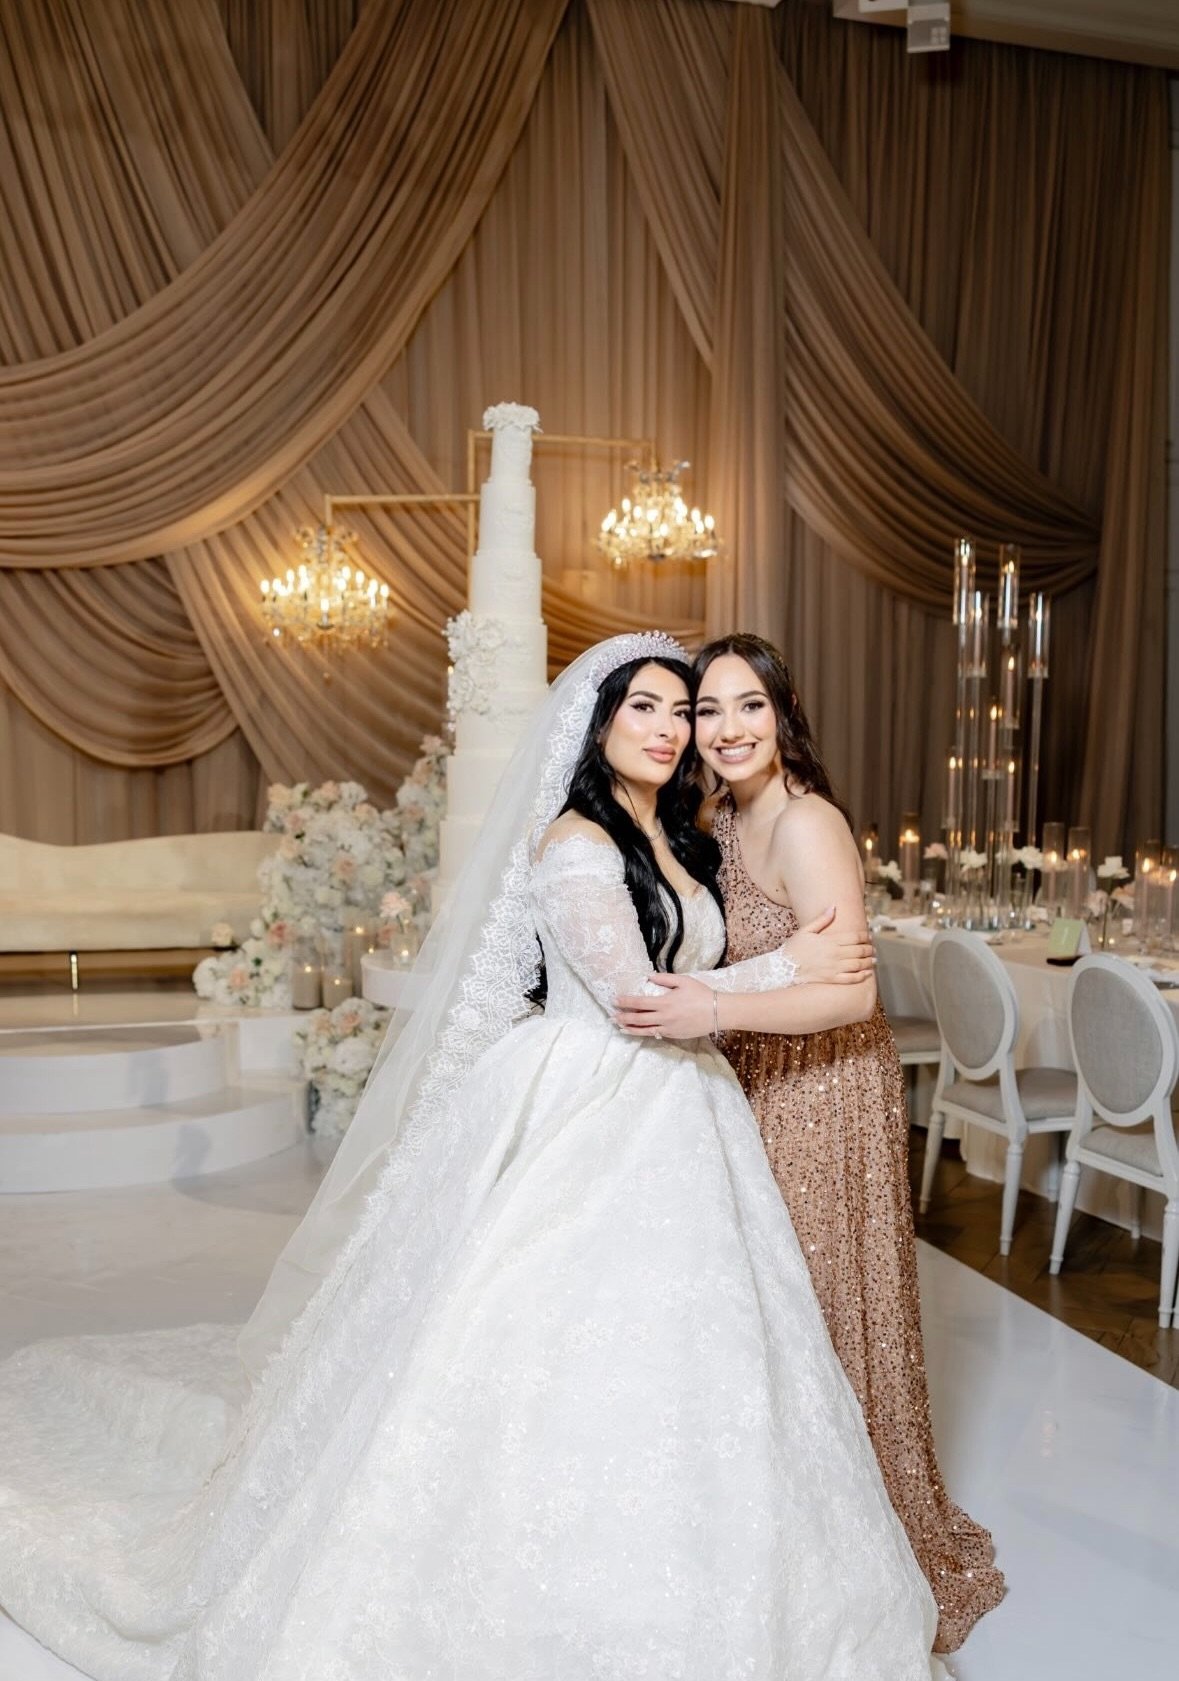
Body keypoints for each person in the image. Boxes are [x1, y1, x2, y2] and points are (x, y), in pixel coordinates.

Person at [0, 633, 945, 1681]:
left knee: (714, 1348)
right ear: (597, 723)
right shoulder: (577, 844)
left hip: (693, 1111)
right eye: (649, 707)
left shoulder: (675, 831)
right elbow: (638, 998)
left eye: (684, 712)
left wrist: (752, 975)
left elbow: (695, 984)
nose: (674, 729)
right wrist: (789, 960)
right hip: (605, 1098)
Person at [615, 632, 1005, 1653]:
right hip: (758, 1073)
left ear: (785, 716)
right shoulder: (714, 815)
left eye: (752, 706)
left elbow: (852, 988)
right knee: (762, 1305)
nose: (730, 728)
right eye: (709, 710)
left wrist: (711, 1011)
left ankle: (852, 1533)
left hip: (825, 1087)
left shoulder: (805, 823)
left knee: (818, 1301)